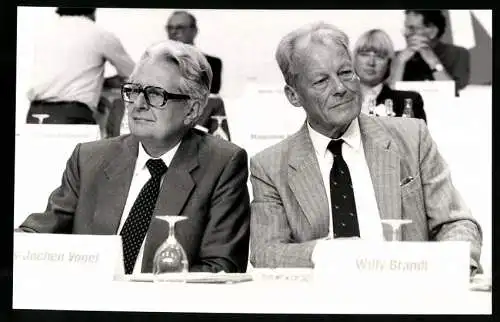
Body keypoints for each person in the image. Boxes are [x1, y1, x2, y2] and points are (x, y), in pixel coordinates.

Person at [249, 22, 482, 275]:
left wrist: (454, 269)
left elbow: (456, 222)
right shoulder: (271, 166)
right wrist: (336, 254)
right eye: (321, 81)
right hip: (323, 302)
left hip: (408, 294)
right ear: (293, 95)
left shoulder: (411, 138)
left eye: (346, 72)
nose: (340, 88)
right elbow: (266, 252)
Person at [16, 40, 251, 274]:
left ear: (192, 110)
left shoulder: (222, 165)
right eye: (133, 91)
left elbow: (221, 268)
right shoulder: (89, 158)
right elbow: (40, 232)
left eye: (155, 95)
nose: (137, 105)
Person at [26, 7, 135, 127]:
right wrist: (106, 84)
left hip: (34, 114)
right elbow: (134, 75)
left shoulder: (45, 32)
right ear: (92, 11)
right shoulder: (98, 33)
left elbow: (63, 76)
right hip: (72, 114)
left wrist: (98, 84)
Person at [166, 10, 230, 140]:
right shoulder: (156, 65)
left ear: (194, 31)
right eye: (170, 28)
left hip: (198, 124)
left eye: (179, 27)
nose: (173, 32)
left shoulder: (212, 63)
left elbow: (211, 95)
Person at [353, 29, 427, 122]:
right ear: (354, 59)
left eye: (379, 56)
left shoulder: (407, 101)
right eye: (365, 54)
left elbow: (417, 136)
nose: (371, 62)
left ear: (389, 63)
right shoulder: (340, 98)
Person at [390, 10, 470, 95]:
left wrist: (434, 62)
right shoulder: (397, 56)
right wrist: (399, 63)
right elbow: (390, 97)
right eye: (406, 28)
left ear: (432, 32)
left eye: (412, 28)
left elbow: (451, 93)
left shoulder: (457, 54)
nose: (406, 33)